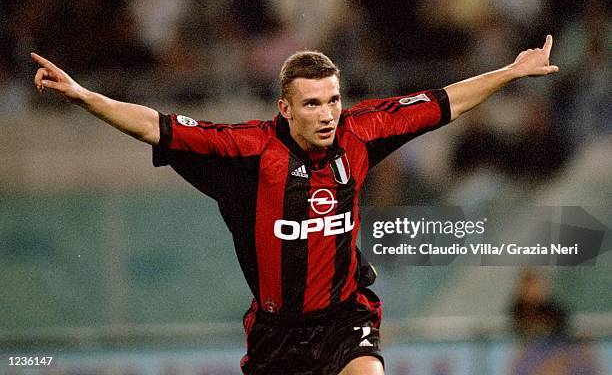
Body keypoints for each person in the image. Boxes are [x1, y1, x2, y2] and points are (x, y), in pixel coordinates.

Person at [31, 35, 558, 375]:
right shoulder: (247, 151)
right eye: (312, 103)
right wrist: (84, 96)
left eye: (333, 99)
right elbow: (155, 125)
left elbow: (443, 102)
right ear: (285, 108)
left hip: (345, 315)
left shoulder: (362, 131)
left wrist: (510, 73)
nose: (328, 113)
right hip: (276, 334)